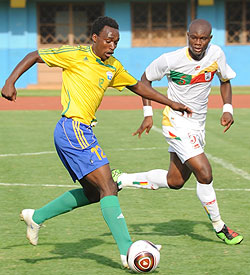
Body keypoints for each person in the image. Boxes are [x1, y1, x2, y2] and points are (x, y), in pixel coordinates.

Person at [1, 16, 191, 268]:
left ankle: (36, 217)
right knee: (109, 187)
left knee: (94, 193)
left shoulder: (112, 66)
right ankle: (127, 252)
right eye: (108, 41)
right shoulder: (75, 55)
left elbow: (137, 86)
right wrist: (10, 81)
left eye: (116, 42)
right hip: (73, 128)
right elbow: (35, 55)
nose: (112, 46)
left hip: (82, 131)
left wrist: (170, 102)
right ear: (95, 38)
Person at [112, 19, 243, 245]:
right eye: (193, 37)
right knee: (205, 172)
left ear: (210, 39)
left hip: (197, 126)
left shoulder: (217, 54)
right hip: (175, 122)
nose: (198, 43)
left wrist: (227, 108)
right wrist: (148, 114)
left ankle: (122, 180)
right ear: (187, 36)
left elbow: (225, 80)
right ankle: (220, 227)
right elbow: (145, 81)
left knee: (175, 181)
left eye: (203, 38)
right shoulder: (170, 59)